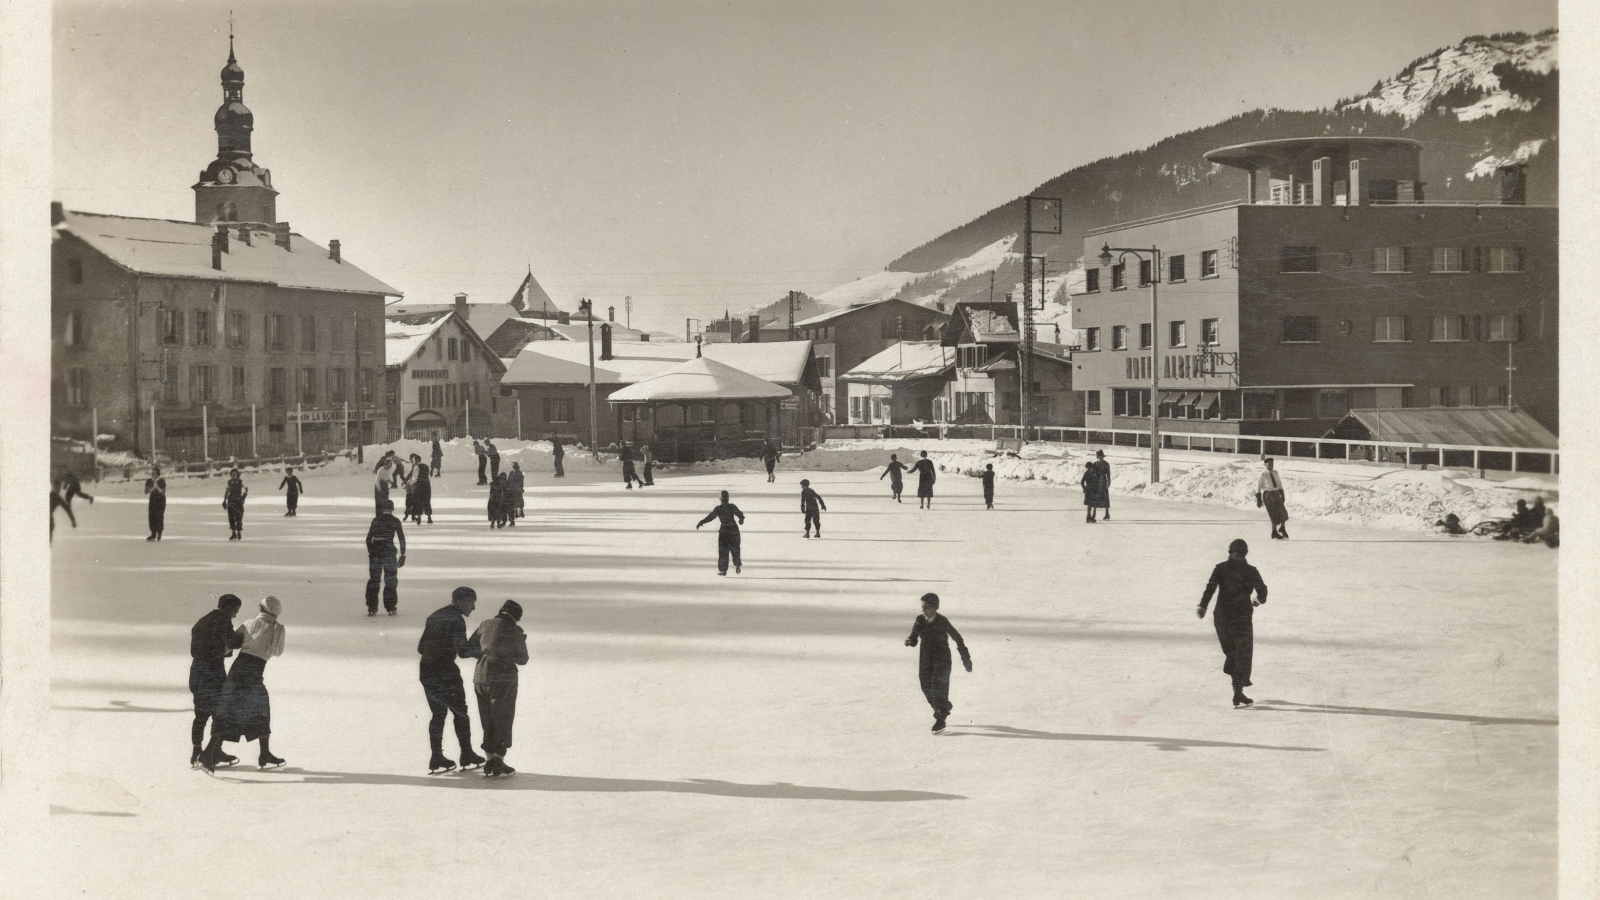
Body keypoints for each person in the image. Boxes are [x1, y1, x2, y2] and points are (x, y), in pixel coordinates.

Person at [200, 595, 287, 772]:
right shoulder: (278, 629)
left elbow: (228, 647)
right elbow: (278, 652)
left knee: (227, 710)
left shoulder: (247, 623)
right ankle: (211, 753)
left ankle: (213, 751)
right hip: (255, 673)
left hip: (238, 670)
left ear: (261, 608)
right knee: (261, 710)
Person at [418, 587, 487, 773]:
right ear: (460, 601)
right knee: (460, 712)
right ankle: (466, 754)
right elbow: (463, 651)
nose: (473, 607)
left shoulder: (434, 616)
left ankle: (436, 757)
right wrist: (483, 652)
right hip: (445, 671)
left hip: (426, 671)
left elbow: (420, 647)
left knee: (438, 714)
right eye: (471, 602)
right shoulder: (456, 619)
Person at [1197, 538, 1269, 708]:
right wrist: (1258, 601)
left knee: (1232, 653)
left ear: (1230, 552)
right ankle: (1237, 691)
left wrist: (1203, 605)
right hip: (1242, 617)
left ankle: (1237, 691)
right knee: (1242, 654)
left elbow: (1210, 587)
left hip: (1222, 617)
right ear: (1245, 553)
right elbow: (1263, 591)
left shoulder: (1220, 568)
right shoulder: (1251, 571)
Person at [471, 599, 529, 777]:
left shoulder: (484, 624)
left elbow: (466, 649)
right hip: (503, 679)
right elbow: (523, 659)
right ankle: (498, 760)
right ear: (516, 617)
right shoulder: (515, 630)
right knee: (502, 719)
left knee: (487, 719)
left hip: (480, 678)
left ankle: (489, 759)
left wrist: (486, 652)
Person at [903, 593, 971, 734]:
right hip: (926, 659)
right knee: (926, 686)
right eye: (922, 607)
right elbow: (914, 637)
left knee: (938, 687)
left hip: (942, 660)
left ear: (935, 607)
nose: (923, 611)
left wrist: (966, 659)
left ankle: (941, 719)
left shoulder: (942, 621)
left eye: (926, 608)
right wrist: (910, 641)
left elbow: (957, 638)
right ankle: (943, 707)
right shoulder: (920, 620)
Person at [189, 594, 245, 767]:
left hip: (197, 671)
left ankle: (197, 751)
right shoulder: (223, 620)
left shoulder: (202, 620)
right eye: (235, 611)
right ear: (228, 607)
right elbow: (231, 641)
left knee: (201, 714)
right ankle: (215, 752)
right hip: (213, 673)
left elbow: (198, 648)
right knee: (220, 714)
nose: (235, 615)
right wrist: (243, 637)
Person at [365, 499, 406, 616]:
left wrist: (371, 552)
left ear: (382, 508)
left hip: (376, 553)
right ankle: (391, 606)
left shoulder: (376, 520)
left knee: (374, 580)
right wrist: (402, 555)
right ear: (392, 509)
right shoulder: (395, 521)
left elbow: (368, 539)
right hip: (389, 552)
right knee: (391, 579)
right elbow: (401, 538)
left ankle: (372, 607)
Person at [696, 490, 746, 575]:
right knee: (735, 548)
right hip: (734, 529)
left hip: (724, 531)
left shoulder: (718, 509)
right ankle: (737, 564)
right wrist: (741, 519)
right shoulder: (732, 506)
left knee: (723, 550)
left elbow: (710, 517)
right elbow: (740, 514)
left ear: (720, 499)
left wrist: (701, 522)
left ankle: (723, 570)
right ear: (728, 498)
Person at [1256, 457, 1289, 540]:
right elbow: (1258, 486)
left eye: (1272, 464)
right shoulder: (1262, 474)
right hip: (1268, 495)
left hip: (1276, 493)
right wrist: (1259, 499)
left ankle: (1282, 528)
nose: (1271, 466)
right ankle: (1274, 532)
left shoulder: (1275, 473)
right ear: (1265, 465)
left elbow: (1279, 483)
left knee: (1282, 511)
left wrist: (1282, 493)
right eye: (1269, 464)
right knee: (1274, 513)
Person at [222, 469, 248, 540]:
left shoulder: (241, 481)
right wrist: (224, 500)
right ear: (230, 475)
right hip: (231, 501)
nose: (233, 475)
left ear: (237, 474)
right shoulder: (228, 482)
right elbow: (226, 492)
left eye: (235, 474)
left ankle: (239, 532)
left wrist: (244, 496)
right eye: (232, 474)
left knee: (239, 517)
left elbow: (246, 488)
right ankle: (233, 533)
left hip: (238, 501)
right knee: (231, 517)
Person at [409, 453, 434, 524]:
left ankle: (419, 519)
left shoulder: (416, 467)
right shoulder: (426, 466)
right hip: (427, 485)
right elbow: (427, 476)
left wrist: (410, 483)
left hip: (419, 485)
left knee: (419, 501)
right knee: (427, 501)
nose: (413, 462)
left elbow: (415, 478)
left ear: (416, 460)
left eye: (413, 460)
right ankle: (429, 518)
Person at [145, 467, 168, 541]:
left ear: (158, 474)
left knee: (159, 516)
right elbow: (145, 491)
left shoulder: (162, 481)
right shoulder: (149, 481)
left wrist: (157, 487)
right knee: (152, 516)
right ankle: (153, 533)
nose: (153, 474)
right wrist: (151, 488)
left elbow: (163, 492)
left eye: (154, 473)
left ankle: (159, 533)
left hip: (160, 500)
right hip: (153, 500)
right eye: (152, 473)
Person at [1090, 450, 1112, 520]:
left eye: (1102, 456)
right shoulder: (1095, 464)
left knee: (1105, 497)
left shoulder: (1106, 464)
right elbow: (1092, 473)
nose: (1101, 458)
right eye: (1100, 456)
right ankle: (1094, 513)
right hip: (1096, 481)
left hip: (1103, 482)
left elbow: (1108, 473)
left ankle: (1107, 513)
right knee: (1096, 497)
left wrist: (1109, 480)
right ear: (1098, 457)